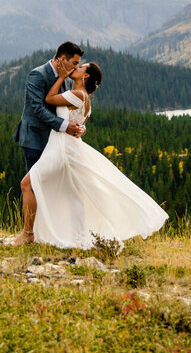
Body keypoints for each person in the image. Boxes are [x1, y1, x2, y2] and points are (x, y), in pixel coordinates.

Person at [27, 60, 168, 249]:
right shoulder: (84, 97)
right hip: (68, 145)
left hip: (63, 147)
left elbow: (50, 99)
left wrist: (60, 76)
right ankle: (75, 236)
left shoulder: (76, 94)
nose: (75, 68)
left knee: (39, 185)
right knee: (74, 194)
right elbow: (77, 121)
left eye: (80, 67)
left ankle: (39, 233)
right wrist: (82, 128)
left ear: (85, 76)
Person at [11, 41, 86, 246]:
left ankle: (46, 233)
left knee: (56, 187)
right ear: (62, 59)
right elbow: (37, 108)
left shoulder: (65, 79)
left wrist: (79, 127)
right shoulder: (38, 74)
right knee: (33, 185)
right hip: (35, 138)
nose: (76, 68)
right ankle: (29, 234)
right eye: (74, 63)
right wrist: (65, 126)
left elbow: (69, 110)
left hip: (55, 143)